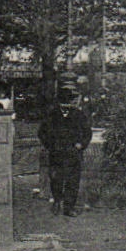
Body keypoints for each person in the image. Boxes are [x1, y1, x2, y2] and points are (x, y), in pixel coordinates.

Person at [39, 87, 93, 217]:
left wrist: (81, 145)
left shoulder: (78, 115)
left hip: (73, 153)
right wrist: (50, 145)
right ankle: (57, 201)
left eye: (68, 102)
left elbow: (87, 132)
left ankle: (69, 207)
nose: (66, 105)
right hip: (57, 152)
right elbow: (42, 132)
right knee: (56, 178)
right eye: (63, 102)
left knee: (73, 181)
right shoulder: (52, 115)